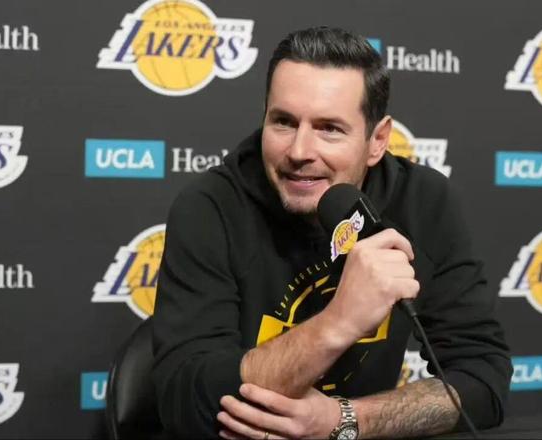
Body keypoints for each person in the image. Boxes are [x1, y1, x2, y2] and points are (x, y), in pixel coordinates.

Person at [152, 26, 512, 439]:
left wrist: (345, 420)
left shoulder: (422, 202)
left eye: (329, 128)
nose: (299, 151)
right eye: (283, 122)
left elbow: (484, 379)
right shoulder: (210, 207)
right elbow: (188, 403)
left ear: (377, 140)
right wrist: (339, 321)